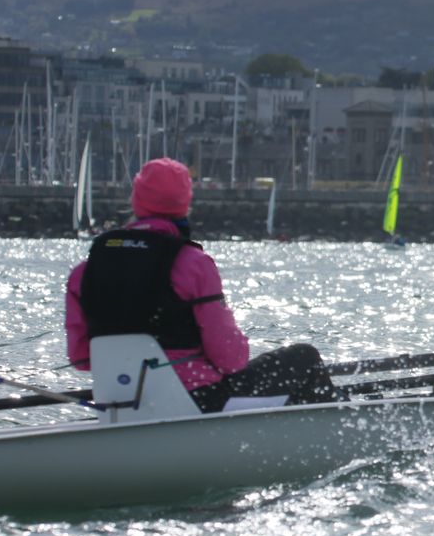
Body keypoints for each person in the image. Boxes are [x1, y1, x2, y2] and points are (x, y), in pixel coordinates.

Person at [65, 157, 340, 413]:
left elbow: (80, 358)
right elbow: (230, 359)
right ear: (185, 205)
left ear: (136, 201)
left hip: (122, 404)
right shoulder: (192, 264)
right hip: (200, 402)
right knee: (305, 357)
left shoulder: (83, 272)